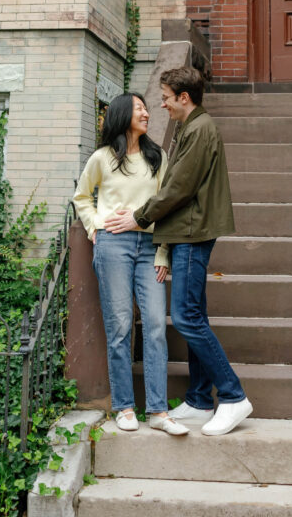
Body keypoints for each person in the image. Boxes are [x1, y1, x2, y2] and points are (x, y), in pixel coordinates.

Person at [106, 67, 253, 436]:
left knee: (186, 318)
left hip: (192, 232)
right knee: (195, 313)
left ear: (183, 98)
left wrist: (139, 218)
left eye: (167, 96)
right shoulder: (193, 128)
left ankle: (233, 396)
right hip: (189, 230)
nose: (162, 103)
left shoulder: (200, 129)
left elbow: (178, 189)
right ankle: (202, 399)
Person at [73, 92, 189, 436]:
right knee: (120, 326)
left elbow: (166, 207)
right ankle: (124, 407)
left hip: (149, 246)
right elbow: (82, 196)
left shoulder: (158, 157)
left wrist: (164, 251)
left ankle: (157, 411)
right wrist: (95, 229)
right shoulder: (102, 158)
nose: (147, 114)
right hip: (113, 247)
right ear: (123, 115)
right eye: (140, 108)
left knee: (155, 324)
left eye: (146, 108)